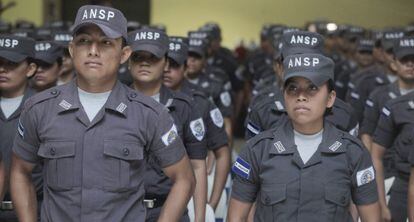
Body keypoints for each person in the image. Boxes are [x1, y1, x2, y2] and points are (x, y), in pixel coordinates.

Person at [10, 5, 195, 222]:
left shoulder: (149, 114)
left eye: (106, 42)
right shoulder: (40, 109)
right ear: (71, 49)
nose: (93, 51)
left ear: (124, 54)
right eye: (84, 41)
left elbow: (184, 178)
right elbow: (20, 172)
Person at [227, 53, 380, 222]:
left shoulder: (354, 153)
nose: (301, 96)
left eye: (312, 88)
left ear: (330, 99)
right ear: (284, 96)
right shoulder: (257, 150)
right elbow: (236, 218)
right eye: (292, 88)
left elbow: (371, 218)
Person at [127, 28, 207, 222]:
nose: (145, 62)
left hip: (172, 208)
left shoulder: (184, 107)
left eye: (153, 57)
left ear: (165, 63)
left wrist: (200, 218)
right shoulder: (112, 105)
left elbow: (197, 166)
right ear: (128, 61)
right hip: (124, 211)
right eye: (138, 57)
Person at [164, 37, 231, 211]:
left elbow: (223, 153)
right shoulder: (139, 99)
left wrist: (212, 204)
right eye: (163, 63)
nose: (166, 70)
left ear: (185, 68)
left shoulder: (200, 103)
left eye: (174, 65)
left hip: (190, 196)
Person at [371, 36, 414, 222]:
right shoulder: (395, 106)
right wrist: (381, 204)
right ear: (394, 63)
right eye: (405, 60)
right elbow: (376, 155)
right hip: (402, 186)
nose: (411, 65)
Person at [0, 35, 37, 222]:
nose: (2, 69)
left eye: (11, 64)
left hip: (34, 210)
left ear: (30, 69)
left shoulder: (44, 108)